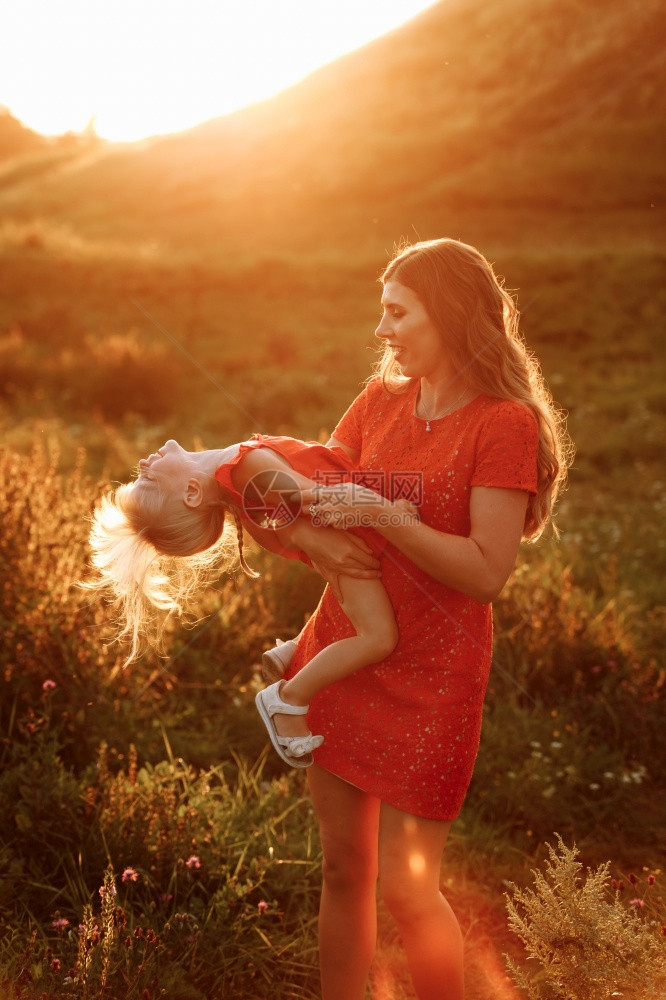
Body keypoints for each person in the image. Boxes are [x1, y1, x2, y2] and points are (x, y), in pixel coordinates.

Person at [241, 238, 571, 1000]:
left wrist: (386, 515)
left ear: (450, 317)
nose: (382, 331)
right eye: (381, 313)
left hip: (434, 678)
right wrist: (253, 489)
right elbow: (317, 494)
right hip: (344, 654)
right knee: (343, 869)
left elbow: (487, 572)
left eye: (398, 312)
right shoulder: (379, 400)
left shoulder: (504, 424)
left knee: (411, 890)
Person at [86, 432, 418, 767]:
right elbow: (326, 501)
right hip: (356, 540)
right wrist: (389, 510)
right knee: (378, 637)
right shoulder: (247, 469)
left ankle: (300, 646)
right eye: (148, 476)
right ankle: (288, 699)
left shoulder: (237, 478)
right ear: (191, 491)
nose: (143, 462)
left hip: (352, 528)